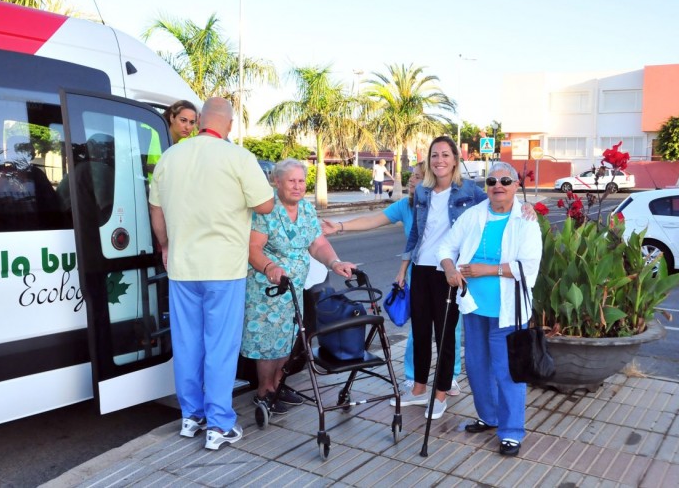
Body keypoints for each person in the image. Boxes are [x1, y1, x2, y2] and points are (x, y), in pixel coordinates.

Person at [149, 97, 274, 451]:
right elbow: (265, 204)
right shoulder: (238, 157)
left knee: (187, 342)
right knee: (220, 345)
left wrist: (165, 246)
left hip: (182, 267)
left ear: (201, 120)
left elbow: (156, 208)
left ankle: (191, 417)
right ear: (230, 125)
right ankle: (219, 424)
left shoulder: (171, 157)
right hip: (223, 268)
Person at [320, 162, 464, 395]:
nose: (411, 181)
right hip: (418, 274)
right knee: (419, 331)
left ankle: (450, 377)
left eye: (417, 177)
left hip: (447, 275)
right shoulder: (406, 206)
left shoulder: (449, 202)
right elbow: (374, 220)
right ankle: (414, 378)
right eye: (411, 177)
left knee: (449, 331)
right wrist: (339, 226)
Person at [439, 161, 542, 457]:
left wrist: (486, 269)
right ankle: (489, 416)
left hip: (507, 311)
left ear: (516, 186)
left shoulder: (525, 220)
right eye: (492, 180)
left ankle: (511, 431)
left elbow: (527, 268)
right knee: (477, 367)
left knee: (508, 371)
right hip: (473, 307)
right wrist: (448, 268)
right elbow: (446, 247)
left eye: (506, 181)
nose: (498, 185)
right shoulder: (473, 215)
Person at [242, 158, 356, 414]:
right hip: (268, 287)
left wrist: (335, 262)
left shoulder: (305, 209)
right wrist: (270, 268)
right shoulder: (266, 209)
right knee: (269, 344)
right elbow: (253, 248)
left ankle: (278, 386)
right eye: (291, 181)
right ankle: (264, 392)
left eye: (301, 181)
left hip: (294, 289)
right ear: (277, 182)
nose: (297, 186)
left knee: (290, 338)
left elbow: (317, 244)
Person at [390, 136, 488, 420]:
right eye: (435, 155)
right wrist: (403, 268)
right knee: (420, 332)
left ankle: (441, 394)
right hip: (421, 268)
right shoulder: (422, 191)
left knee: (445, 336)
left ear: (455, 159)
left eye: (445, 155)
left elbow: (498, 205)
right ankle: (419, 389)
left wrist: (525, 209)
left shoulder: (470, 191)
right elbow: (416, 234)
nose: (439, 160)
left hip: (448, 272)